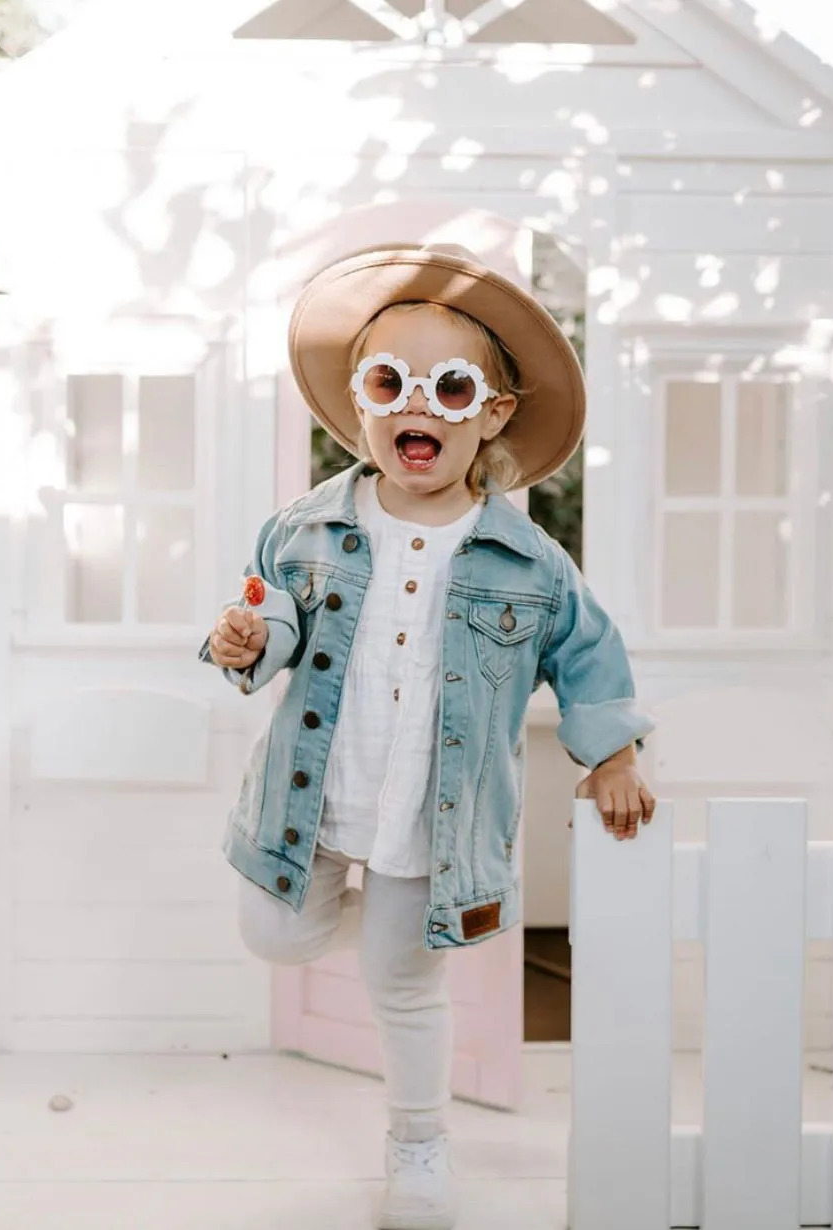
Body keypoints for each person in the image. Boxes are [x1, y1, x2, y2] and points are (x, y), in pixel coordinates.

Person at [200, 242, 655, 1230]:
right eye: (389, 382)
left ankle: (419, 1145)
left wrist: (613, 752)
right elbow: (270, 615)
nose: (419, 405)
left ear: (492, 414)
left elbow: (588, 655)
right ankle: (395, 947)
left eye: (451, 387)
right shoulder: (305, 530)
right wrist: (247, 640)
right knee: (272, 932)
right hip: (314, 801)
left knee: (406, 992)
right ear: (359, 406)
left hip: (430, 818)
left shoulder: (528, 561)